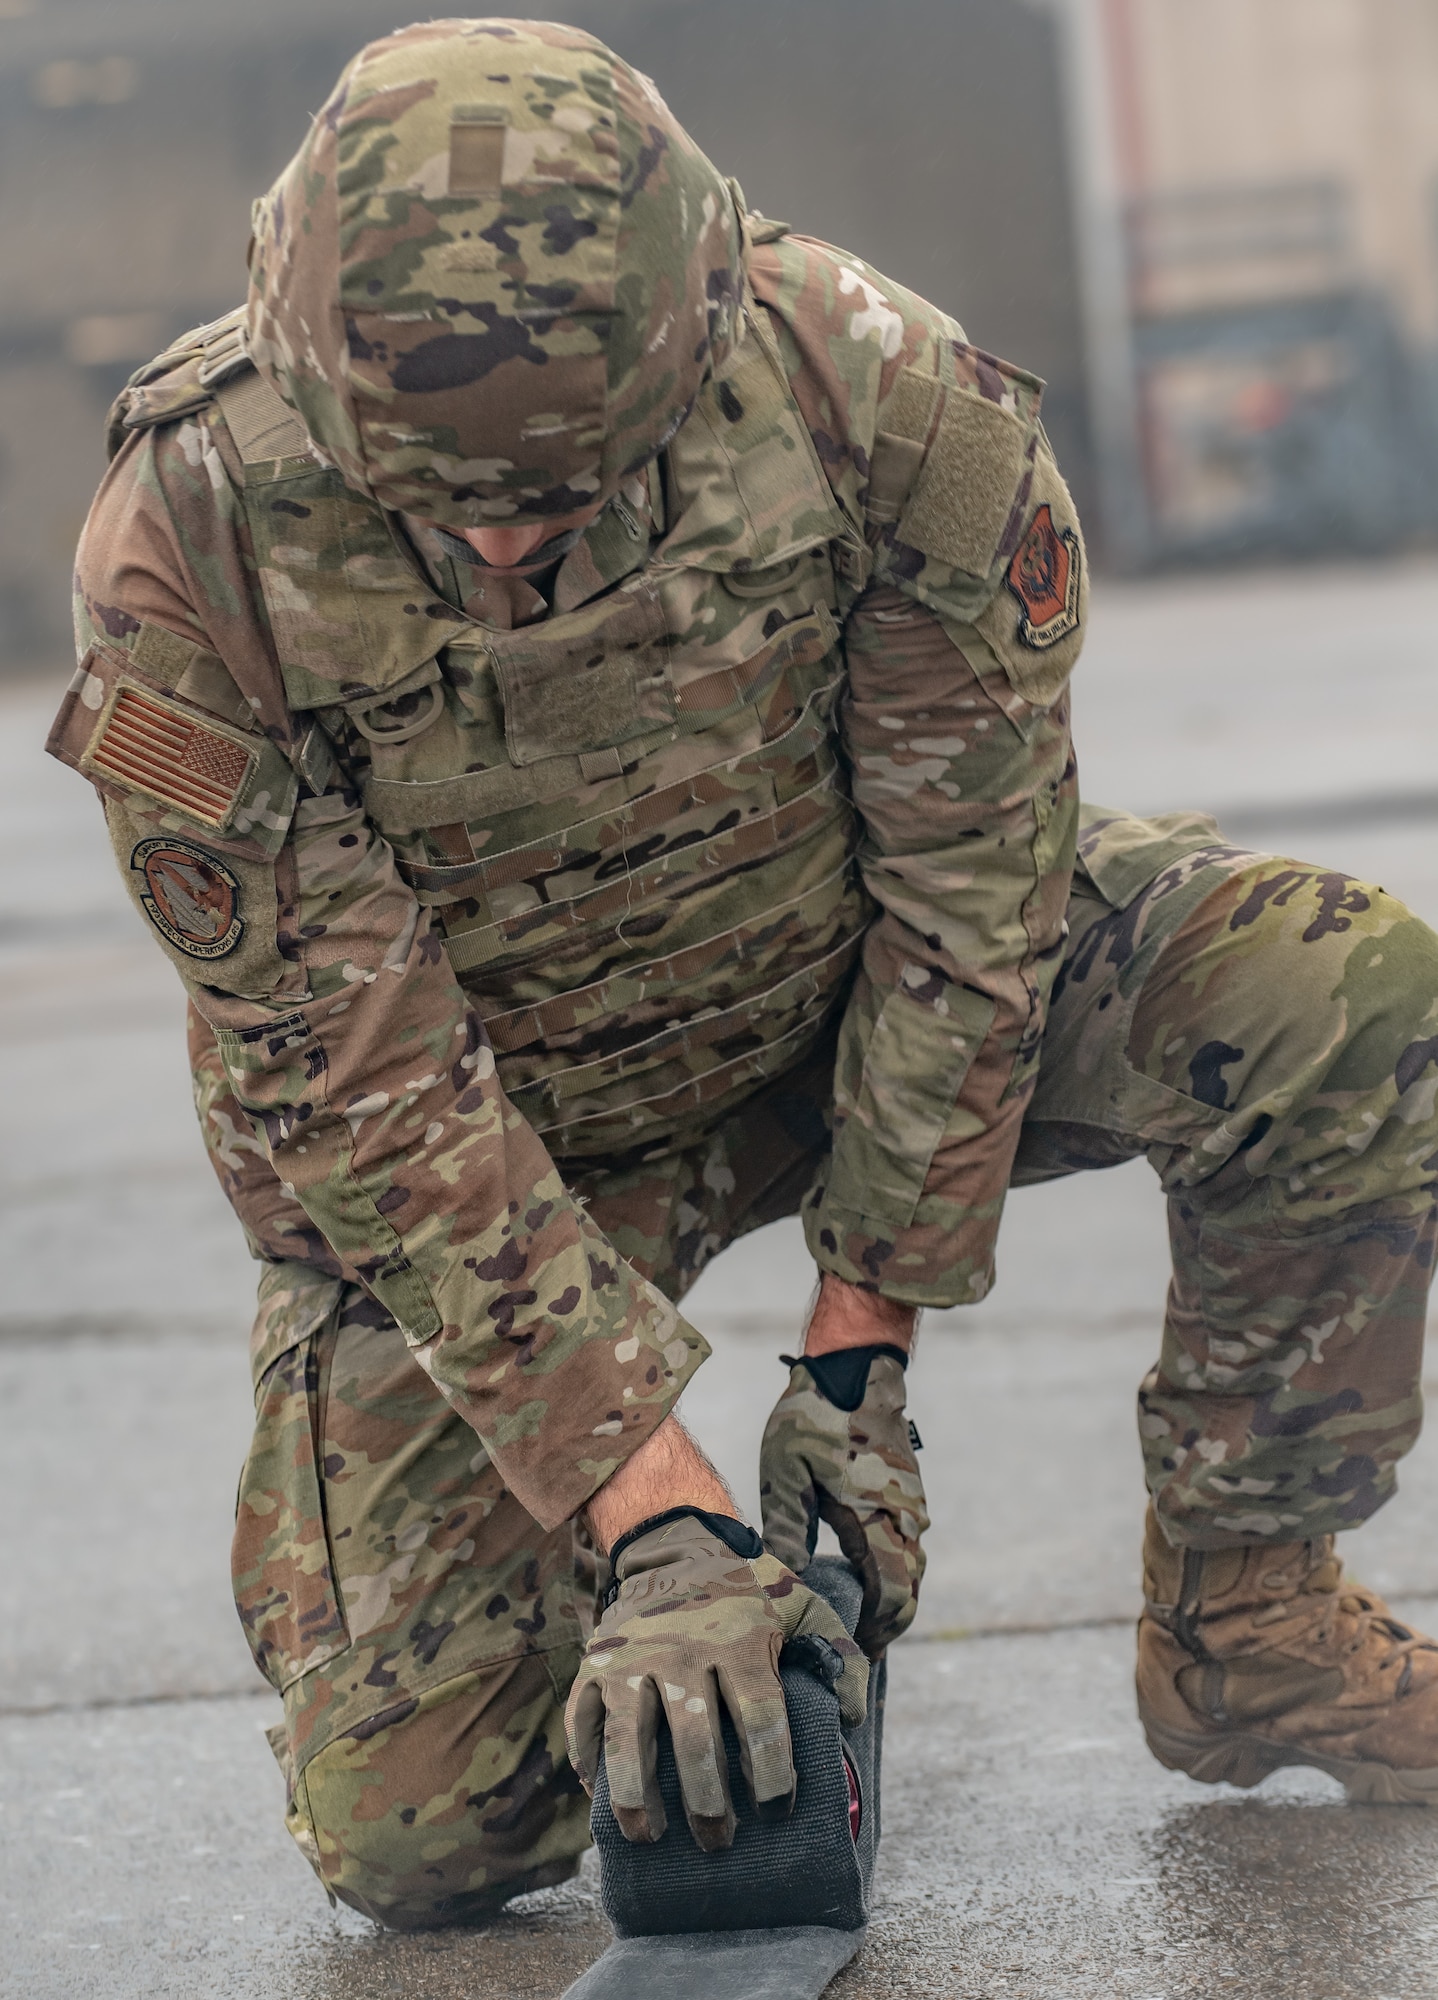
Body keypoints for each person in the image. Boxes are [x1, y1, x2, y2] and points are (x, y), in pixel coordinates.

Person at [47, 16, 1438, 1931]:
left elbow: (971, 895)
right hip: (511, 1139)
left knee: (1338, 998)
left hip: (841, 988)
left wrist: (855, 1385)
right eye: (442, 509)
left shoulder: (870, 389)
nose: (510, 541)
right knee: (424, 1838)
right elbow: (361, 1089)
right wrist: (664, 1518)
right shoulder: (190, 539)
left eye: (567, 490)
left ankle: (1247, 1618)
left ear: (687, 341)